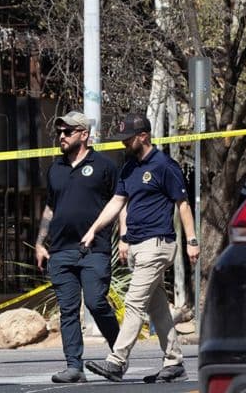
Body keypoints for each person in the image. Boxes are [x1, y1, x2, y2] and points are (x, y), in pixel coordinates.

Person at [80, 112, 199, 384]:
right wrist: (94, 229)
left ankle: (117, 361)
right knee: (158, 308)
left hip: (157, 245)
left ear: (143, 136)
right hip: (137, 246)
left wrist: (192, 241)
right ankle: (174, 361)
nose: (123, 143)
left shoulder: (164, 166)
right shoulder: (129, 167)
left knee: (133, 303)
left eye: (128, 138)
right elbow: (116, 202)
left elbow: (183, 205)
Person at [34, 111, 121, 383]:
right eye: (59, 132)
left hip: (94, 249)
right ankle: (74, 367)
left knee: (96, 302)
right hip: (61, 250)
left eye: (68, 131)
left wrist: (126, 237)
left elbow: (120, 202)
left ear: (84, 134)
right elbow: (50, 207)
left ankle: (120, 354)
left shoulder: (104, 166)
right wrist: (40, 243)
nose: (61, 136)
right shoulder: (55, 168)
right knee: (68, 311)